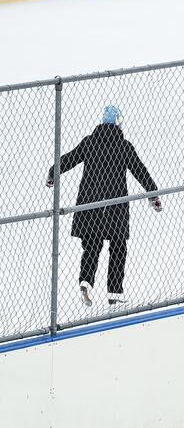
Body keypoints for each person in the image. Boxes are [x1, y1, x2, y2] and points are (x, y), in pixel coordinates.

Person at [46, 105, 161, 308]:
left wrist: (52, 173)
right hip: (115, 207)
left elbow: (68, 160)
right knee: (118, 246)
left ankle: (86, 282)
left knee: (92, 245)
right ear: (118, 123)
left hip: (90, 204)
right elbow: (140, 171)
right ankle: (114, 291)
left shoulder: (89, 143)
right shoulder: (124, 146)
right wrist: (153, 195)